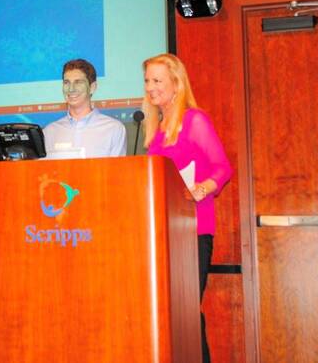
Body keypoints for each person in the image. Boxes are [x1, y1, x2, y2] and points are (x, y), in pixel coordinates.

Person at [142, 53, 232, 363]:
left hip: (193, 232)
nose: (150, 87)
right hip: (163, 233)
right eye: (147, 81)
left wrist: (202, 188)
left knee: (185, 314)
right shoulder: (154, 128)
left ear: (177, 84)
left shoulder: (194, 120)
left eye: (157, 80)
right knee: (168, 316)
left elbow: (222, 168)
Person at [44, 58, 127, 158]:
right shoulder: (49, 132)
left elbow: (116, 172)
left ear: (92, 87)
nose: (71, 89)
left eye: (78, 82)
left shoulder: (114, 129)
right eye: (66, 83)